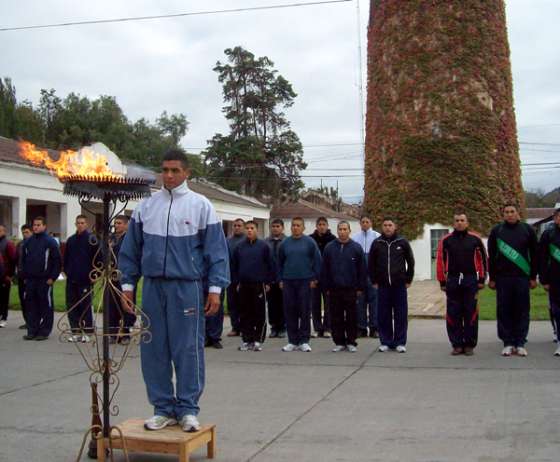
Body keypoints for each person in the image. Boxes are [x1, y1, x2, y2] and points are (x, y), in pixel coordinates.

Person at [119, 149, 229, 433]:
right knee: (153, 348)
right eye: (164, 170)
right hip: (153, 286)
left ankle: (188, 408)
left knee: (187, 348)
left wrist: (215, 288)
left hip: (187, 286)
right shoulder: (146, 206)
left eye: (174, 170)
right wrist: (128, 286)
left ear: (186, 172)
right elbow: (131, 250)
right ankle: (162, 408)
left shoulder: (201, 205)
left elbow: (216, 252)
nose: (168, 175)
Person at [488, 204, 538, 357]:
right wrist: (492, 277)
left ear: (518, 213)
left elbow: (535, 255)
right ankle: (508, 343)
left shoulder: (528, 230)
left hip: (522, 278)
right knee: (504, 310)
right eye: (506, 212)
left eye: (512, 212)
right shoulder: (497, 231)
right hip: (503, 279)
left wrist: (533, 277)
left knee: (522, 310)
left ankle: (520, 342)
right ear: (503, 214)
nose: (509, 214)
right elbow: (491, 256)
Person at [436, 212, 487, 356]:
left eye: (462, 220)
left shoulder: (475, 239)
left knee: (471, 313)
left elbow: (483, 259)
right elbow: (440, 260)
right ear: (453, 223)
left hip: (470, 281)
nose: (459, 223)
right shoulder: (446, 240)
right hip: (452, 280)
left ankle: (469, 344)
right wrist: (442, 281)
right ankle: (457, 344)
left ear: (467, 223)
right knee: (453, 313)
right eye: (457, 220)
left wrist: (482, 279)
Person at [368, 217, 414, 353]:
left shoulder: (402, 242)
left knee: (401, 314)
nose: (387, 227)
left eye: (390, 225)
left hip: (399, 285)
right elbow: (371, 264)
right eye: (385, 225)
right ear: (382, 227)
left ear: (395, 227)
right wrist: (374, 280)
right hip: (382, 286)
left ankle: (400, 342)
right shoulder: (377, 243)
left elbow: (410, 262)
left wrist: (408, 279)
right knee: (383, 314)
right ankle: (386, 341)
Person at [322, 221, 367, 353]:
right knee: (336, 317)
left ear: (349, 231)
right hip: (334, 289)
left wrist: (360, 288)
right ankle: (339, 342)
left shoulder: (356, 248)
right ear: (337, 231)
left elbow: (362, 270)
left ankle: (351, 341)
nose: (342, 231)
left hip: (351, 289)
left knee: (352, 316)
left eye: (345, 229)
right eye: (340, 229)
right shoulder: (329, 248)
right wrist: (327, 287)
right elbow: (325, 269)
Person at [278, 217, 321, 352]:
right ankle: (292, 340)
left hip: (305, 281)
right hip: (288, 281)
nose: (295, 227)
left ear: (303, 228)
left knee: (304, 310)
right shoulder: (285, 243)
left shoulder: (310, 242)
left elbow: (317, 261)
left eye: (298, 225)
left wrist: (315, 278)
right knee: (290, 310)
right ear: (290, 228)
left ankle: (304, 340)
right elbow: (279, 263)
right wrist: (280, 279)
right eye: (293, 225)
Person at [232, 221, 275, 351]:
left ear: (257, 230)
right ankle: (247, 340)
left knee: (259, 312)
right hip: (244, 284)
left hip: (259, 284)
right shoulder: (239, 247)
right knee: (245, 313)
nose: (249, 230)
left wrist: (268, 282)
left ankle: (258, 340)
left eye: (252, 228)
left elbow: (270, 265)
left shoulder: (264, 246)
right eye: (247, 228)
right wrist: (237, 282)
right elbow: (234, 266)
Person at [21, 216, 61, 341]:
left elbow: (57, 261)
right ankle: (32, 330)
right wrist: (25, 276)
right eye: (34, 225)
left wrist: (52, 277)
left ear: (44, 226)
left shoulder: (50, 242)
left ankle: (44, 331)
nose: (36, 227)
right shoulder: (27, 242)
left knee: (45, 305)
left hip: (45, 280)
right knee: (31, 306)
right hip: (31, 280)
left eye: (38, 225)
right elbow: (23, 261)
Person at [63, 215, 99, 342]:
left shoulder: (92, 239)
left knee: (85, 306)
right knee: (72, 305)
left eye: (82, 223)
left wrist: (95, 275)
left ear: (87, 224)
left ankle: (88, 331)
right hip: (72, 279)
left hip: (86, 279)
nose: (80, 225)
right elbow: (66, 258)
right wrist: (66, 271)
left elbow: (98, 259)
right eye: (78, 223)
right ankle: (76, 331)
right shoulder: (71, 240)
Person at [108, 215, 136, 343]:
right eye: (115, 223)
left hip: (126, 276)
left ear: (126, 225)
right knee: (112, 303)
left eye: (119, 223)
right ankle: (113, 332)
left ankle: (125, 332)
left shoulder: (130, 239)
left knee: (126, 303)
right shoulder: (112, 239)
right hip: (112, 276)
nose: (116, 225)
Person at [352, 215, 381, 338]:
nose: (364, 224)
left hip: (373, 275)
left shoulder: (377, 237)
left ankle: (374, 328)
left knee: (375, 302)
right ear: (360, 223)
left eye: (367, 222)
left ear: (371, 222)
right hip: (360, 275)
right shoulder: (355, 238)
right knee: (360, 302)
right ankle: (361, 328)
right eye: (362, 222)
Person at [538, 208, 560, 356]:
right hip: (554, 279)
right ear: (555, 218)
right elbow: (542, 258)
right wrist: (544, 280)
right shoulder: (548, 234)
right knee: (556, 310)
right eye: (559, 217)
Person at [309, 217, 335, 338]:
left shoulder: (333, 240)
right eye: (319, 224)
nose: (321, 226)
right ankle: (317, 328)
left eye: (324, 224)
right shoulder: (310, 239)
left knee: (328, 303)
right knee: (315, 303)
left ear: (327, 225)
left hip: (328, 277)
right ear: (316, 225)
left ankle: (327, 328)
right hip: (314, 276)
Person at [265, 219, 286, 338]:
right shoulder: (266, 242)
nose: (275, 228)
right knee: (272, 305)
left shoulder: (287, 241)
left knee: (283, 304)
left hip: (283, 279)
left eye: (278, 226)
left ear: (282, 228)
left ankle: (283, 327)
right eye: (273, 226)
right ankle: (274, 327)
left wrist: (283, 279)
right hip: (270, 279)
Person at [226, 218, 246, 337]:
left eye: (239, 225)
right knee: (232, 303)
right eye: (235, 225)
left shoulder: (246, 240)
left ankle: (245, 327)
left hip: (243, 277)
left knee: (243, 303)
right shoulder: (227, 240)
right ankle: (235, 327)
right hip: (230, 277)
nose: (237, 227)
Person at [15, 224, 33, 329]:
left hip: (31, 276)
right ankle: (27, 320)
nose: (25, 234)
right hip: (21, 275)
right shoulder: (20, 245)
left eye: (27, 232)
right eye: (23, 233)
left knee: (31, 299)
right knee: (23, 299)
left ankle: (33, 321)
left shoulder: (34, 243)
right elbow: (17, 259)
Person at [0, 224, 17, 328]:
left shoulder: (8, 244)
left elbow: (13, 260)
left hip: (4, 275)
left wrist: (10, 275)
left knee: (4, 298)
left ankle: (4, 318)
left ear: (4, 231)